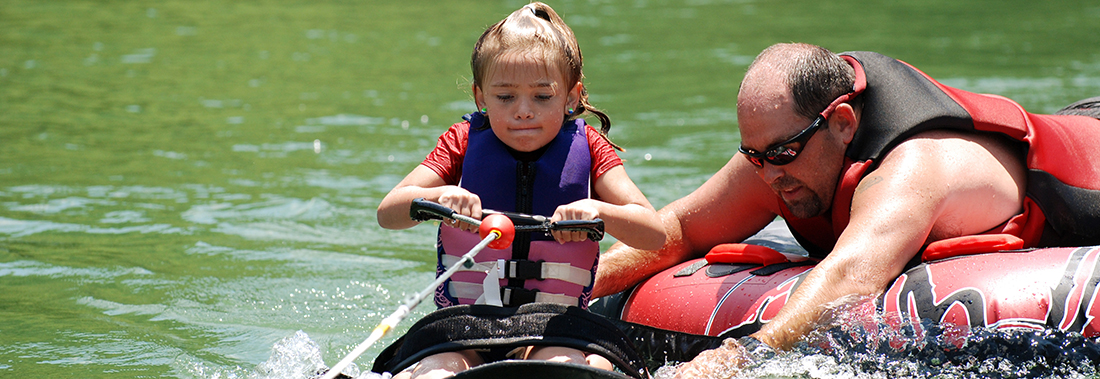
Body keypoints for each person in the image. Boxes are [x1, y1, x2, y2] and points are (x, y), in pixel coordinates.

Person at [590, 42, 1100, 376]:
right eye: (754, 156)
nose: (766, 174)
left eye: (780, 155)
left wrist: (732, 358)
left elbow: (851, 276)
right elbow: (674, 230)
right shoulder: (788, 146)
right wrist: (559, 286)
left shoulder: (914, 166)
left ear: (841, 122)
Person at [376, 3, 665, 378]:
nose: (523, 111)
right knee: (435, 372)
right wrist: (440, 196)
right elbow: (388, 212)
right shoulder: (462, 141)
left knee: (565, 368)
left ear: (571, 97)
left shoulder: (590, 147)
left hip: (554, 329)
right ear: (481, 98)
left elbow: (653, 232)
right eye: (505, 97)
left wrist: (599, 211)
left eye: (542, 97)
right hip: (465, 329)